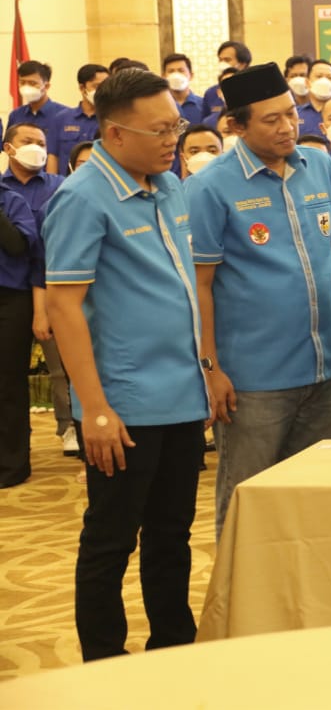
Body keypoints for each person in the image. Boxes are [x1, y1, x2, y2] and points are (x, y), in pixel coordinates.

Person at [42, 68, 209, 660]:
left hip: (182, 394)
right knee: (111, 540)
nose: (172, 140)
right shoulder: (82, 197)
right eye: (159, 130)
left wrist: (208, 368)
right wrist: (94, 409)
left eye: (176, 126)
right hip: (125, 403)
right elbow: (63, 307)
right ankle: (103, 665)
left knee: (172, 535)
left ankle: (173, 648)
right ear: (114, 134)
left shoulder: (168, 185)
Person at [184, 63, 331, 539]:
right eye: (271, 119)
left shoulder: (319, 166)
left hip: (321, 368)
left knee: (315, 499)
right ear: (236, 126)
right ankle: (241, 588)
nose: (287, 127)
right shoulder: (208, 187)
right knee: (249, 501)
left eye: (291, 114)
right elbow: (199, 285)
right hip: (253, 380)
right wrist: (210, 368)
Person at [2, 123, 72, 457]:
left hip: (47, 285)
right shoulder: (5, 188)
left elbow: (28, 245)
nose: (36, 147)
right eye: (28, 141)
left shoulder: (60, 186)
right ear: (8, 148)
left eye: (42, 142)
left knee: (62, 367)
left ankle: (71, 426)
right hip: (17, 287)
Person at [0, 167, 39, 487]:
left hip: (10, 300)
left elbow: (16, 246)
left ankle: (13, 464)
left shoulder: (12, 201)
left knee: (8, 383)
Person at [51, 64, 109, 175]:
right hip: (67, 181)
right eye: (97, 86)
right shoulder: (61, 118)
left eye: (106, 86)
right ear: (82, 88)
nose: (103, 91)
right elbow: (53, 156)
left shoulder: (112, 120)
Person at [9, 60, 70, 150]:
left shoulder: (65, 114)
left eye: (32, 83)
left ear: (46, 86)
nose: (26, 87)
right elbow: (8, 147)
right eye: (22, 82)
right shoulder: (15, 115)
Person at [200, 40, 251, 123]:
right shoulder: (211, 93)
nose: (222, 64)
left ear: (242, 64)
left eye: (227, 60)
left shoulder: (254, 90)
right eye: (220, 60)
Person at [298, 59, 331, 138]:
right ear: (307, 83)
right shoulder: (296, 114)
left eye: (329, 78)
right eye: (319, 76)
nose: (324, 81)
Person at [162, 54, 204, 129]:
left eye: (181, 71)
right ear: (163, 77)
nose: (176, 75)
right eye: (171, 71)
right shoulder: (159, 106)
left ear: (191, 75)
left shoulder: (203, 105)